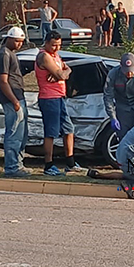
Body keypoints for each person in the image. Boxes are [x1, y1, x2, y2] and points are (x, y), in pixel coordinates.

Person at [35, 31, 83, 176]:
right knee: (51, 132)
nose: (56, 48)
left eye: (59, 45)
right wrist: (61, 73)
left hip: (60, 97)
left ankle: (70, 162)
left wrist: (65, 71)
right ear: (47, 42)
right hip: (49, 98)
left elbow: (66, 70)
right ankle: (48, 165)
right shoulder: (44, 56)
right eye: (54, 45)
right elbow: (61, 74)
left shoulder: (55, 56)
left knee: (69, 129)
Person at [0, 26, 30, 178]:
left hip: (18, 95)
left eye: (21, 42)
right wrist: (14, 101)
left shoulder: (11, 53)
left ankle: (18, 164)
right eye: (17, 41)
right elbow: (3, 81)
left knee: (22, 134)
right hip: (11, 98)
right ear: (9, 38)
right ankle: (11, 167)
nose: (19, 44)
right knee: (14, 133)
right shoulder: (4, 54)